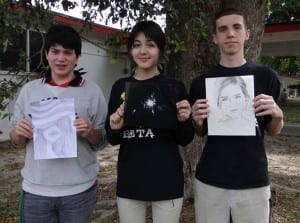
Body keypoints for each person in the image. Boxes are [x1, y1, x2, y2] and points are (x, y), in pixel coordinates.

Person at [189, 8, 284, 223]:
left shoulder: (266, 77)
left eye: (236, 27)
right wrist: (196, 121)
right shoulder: (201, 82)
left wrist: (278, 116)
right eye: (223, 29)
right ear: (215, 37)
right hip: (210, 181)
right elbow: (200, 132)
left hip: (253, 180)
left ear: (247, 33)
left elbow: (273, 130)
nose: (230, 34)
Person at [9, 24, 107, 223]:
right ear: (46, 54)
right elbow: (15, 139)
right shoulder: (30, 90)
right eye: (55, 51)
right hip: (36, 190)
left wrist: (90, 132)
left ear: (77, 57)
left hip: (79, 190)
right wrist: (19, 133)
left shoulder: (92, 91)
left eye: (68, 53)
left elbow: (103, 140)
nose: (61, 58)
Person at [105, 21, 194, 223]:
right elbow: (112, 138)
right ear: (130, 50)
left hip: (167, 179)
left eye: (150, 44)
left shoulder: (173, 87)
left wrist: (183, 119)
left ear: (160, 49)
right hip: (130, 179)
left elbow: (185, 138)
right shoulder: (120, 86)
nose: (143, 51)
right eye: (137, 45)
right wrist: (114, 126)